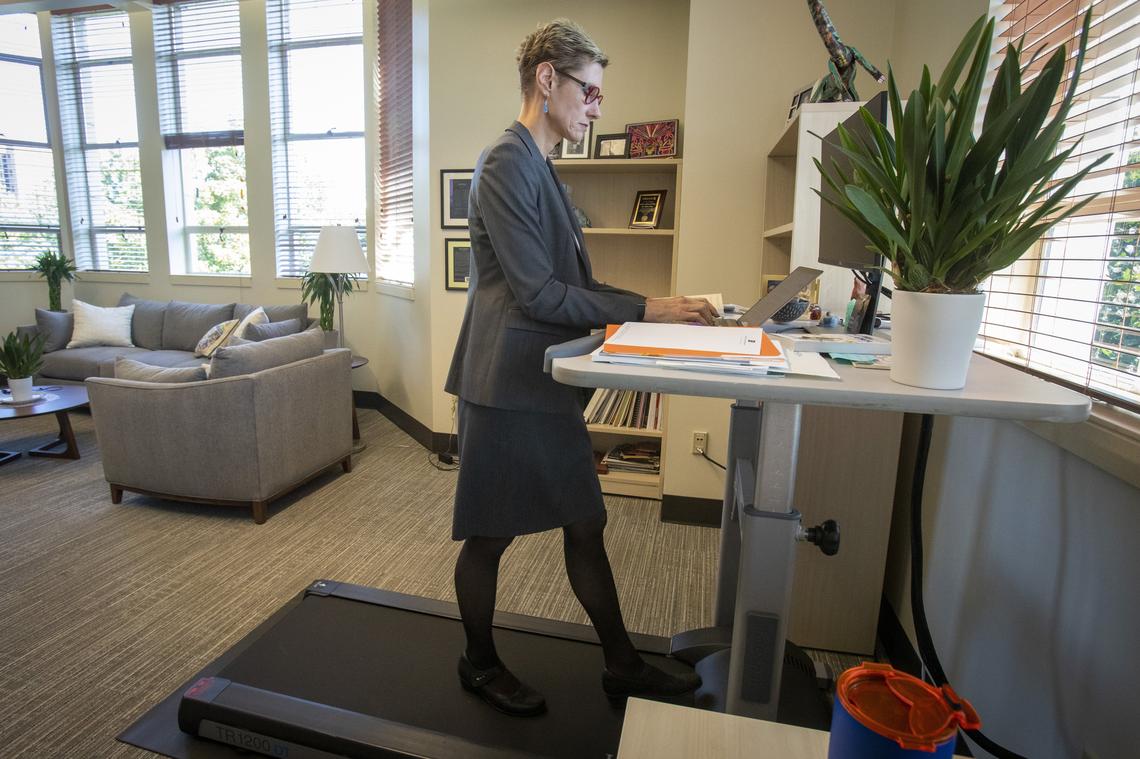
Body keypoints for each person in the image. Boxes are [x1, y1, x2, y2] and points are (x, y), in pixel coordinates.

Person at [444, 19, 718, 717]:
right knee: (490, 533)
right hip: (504, 384)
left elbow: (562, 282)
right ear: (547, 79)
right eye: (589, 92)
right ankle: (478, 661)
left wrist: (640, 313)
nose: (596, 107)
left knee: (585, 520)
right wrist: (645, 308)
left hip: (542, 378)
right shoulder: (506, 162)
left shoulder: (542, 168)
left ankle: (621, 663)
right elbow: (538, 292)